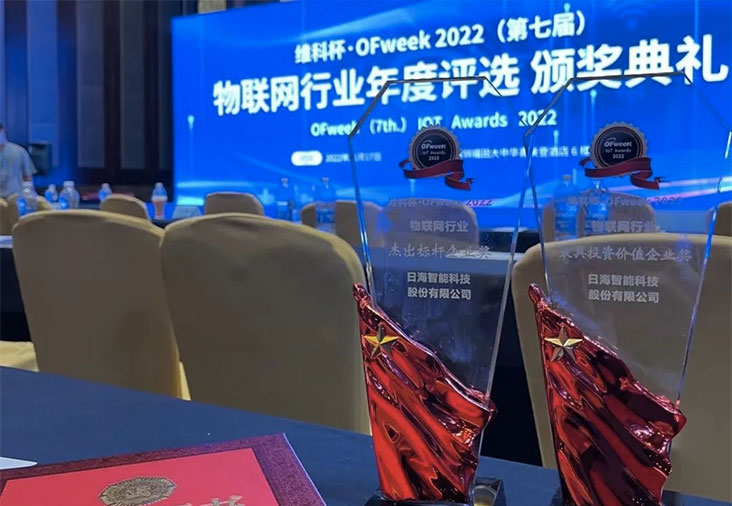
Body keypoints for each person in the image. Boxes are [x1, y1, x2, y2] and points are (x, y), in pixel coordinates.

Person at [0, 122, 36, 199]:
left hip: (15, 198)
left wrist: (30, 196)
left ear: (3, 131)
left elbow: (27, 177)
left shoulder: (19, 152)